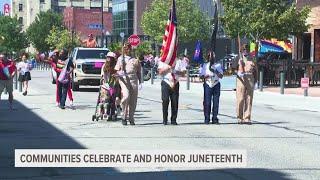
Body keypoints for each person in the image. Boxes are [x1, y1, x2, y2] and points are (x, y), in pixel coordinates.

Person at [114, 43, 141, 125]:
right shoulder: (120, 59)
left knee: (133, 100)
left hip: (133, 80)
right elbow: (116, 70)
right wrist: (120, 72)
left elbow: (139, 71)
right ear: (124, 49)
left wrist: (141, 82)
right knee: (126, 96)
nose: (128, 50)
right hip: (124, 80)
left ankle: (131, 117)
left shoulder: (135, 59)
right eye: (126, 48)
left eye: (129, 48)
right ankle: (123, 116)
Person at [158, 58, 187, 125]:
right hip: (166, 82)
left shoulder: (179, 61)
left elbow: (183, 73)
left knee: (175, 102)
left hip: (175, 82)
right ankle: (165, 119)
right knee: (165, 100)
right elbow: (160, 72)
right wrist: (168, 68)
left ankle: (173, 119)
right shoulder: (163, 61)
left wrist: (175, 71)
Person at [199, 51, 223, 124]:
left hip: (216, 84)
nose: (212, 58)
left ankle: (215, 118)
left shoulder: (218, 65)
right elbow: (200, 76)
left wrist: (215, 71)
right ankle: (207, 118)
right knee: (207, 102)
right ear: (208, 57)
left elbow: (221, 76)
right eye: (210, 56)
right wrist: (206, 76)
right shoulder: (204, 65)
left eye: (213, 56)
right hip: (208, 84)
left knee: (216, 103)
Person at [236, 45, 258, 125]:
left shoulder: (252, 58)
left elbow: (255, 71)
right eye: (244, 49)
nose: (246, 50)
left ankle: (247, 117)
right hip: (241, 79)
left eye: (247, 49)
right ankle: (239, 117)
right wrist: (238, 72)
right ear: (241, 50)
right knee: (240, 98)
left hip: (250, 78)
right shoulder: (238, 58)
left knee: (249, 99)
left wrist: (256, 81)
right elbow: (232, 69)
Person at [100, 51, 119, 121]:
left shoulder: (116, 66)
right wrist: (103, 82)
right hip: (106, 85)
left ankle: (112, 113)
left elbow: (118, 75)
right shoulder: (104, 66)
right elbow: (102, 76)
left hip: (113, 85)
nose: (109, 60)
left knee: (112, 100)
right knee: (104, 99)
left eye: (110, 58)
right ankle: (103, 112)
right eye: (108, 58)